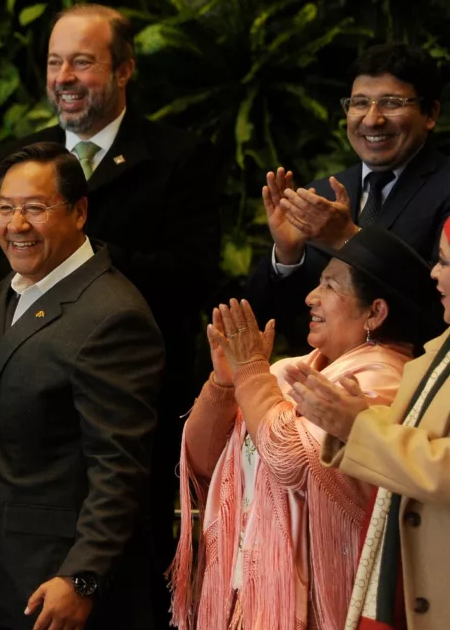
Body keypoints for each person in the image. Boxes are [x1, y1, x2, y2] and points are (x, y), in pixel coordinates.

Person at [0, 5, 221, 625]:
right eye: (53, 61)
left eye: (82, 60)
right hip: (7, 530)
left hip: (85, 522)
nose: (64, 75)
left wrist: (85, 572)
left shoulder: (179, 161)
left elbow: (192, 278)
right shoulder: (16, 184)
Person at [169, 227, 440, 630]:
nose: (311, 296)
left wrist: (249, 374)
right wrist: (225, 384)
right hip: (246, 595)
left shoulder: (386, 381)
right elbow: (203, 461)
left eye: (330, 285)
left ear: (375, 313)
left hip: (319, 601)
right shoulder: (284, 370)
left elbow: (291, 461)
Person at [0, 143, 165, 630]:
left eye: (35, 208)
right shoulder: (12, 288)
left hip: (55, 585)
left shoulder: (112, 316)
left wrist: (82, 577)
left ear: (79, 212)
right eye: (5, 208)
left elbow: (119, 470)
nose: (16, 224)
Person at [288, 217, 450, 630]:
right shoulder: (437, 352)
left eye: (447, 264)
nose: (436, 273)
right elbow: (417, 439)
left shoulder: (385, 367)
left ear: (375, 313)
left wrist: (356, 425)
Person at [246, 43, 450, 354]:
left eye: (391, 103)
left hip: (405, 386)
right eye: (359, 103)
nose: (371, 119)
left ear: (430, 113)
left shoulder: (445, 187)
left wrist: (347, 240)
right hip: (317, 384)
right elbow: (264, 320)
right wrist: (287, 256)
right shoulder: (322, 194)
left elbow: (438, 313)